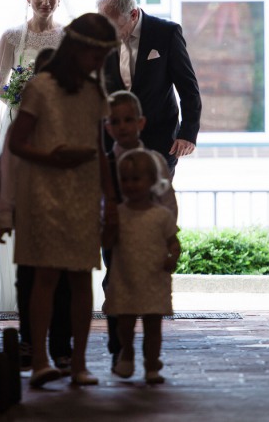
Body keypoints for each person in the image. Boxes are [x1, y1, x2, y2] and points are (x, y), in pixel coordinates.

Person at [9, 13, 119, 387]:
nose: (99, 64)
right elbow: (17, 142)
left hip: (84, 191)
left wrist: (111, 200)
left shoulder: (93, 92)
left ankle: (78, 363)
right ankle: (40, 359)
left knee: (80, 277)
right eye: (95, 55)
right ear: (77, 48)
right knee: (45, 275)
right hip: (45, 190)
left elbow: (101, 151)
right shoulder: (40, 87)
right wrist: (51, 157)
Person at [0, 0, 70, 372]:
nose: (45, 2)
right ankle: (28, 329)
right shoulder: (12, 37)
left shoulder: (66, 37)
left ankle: (60, 336)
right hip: (20, 124)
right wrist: (22, 92)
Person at [101, 90, 178, 369]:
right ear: (108, 127)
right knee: (116, 291)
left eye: (128, 120)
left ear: (140, 123)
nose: (122, 127)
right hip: (118, 241)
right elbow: (100, 202)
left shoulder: (155, 161)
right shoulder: (106, 164)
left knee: (150, 304)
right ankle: (120, 349)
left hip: (151, 244)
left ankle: (151, 357)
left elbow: (167, 200)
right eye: (116, 122)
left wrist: (167, 236)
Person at [97, 0, 202, 174]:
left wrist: (188, 133)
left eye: (114, 26)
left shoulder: (166, 33)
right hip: (114, 141)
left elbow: (188, 88)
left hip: (159, 141)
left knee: (158, 201)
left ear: (133, 14)